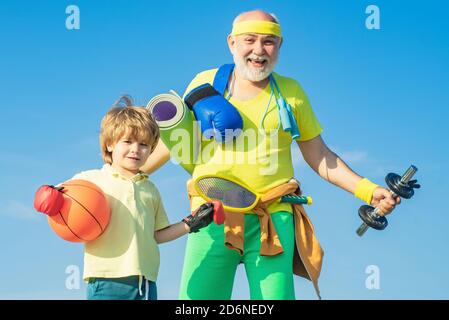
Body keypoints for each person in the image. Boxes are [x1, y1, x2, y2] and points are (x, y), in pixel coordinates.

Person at [141, 10, 400, 300]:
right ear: (232, 43)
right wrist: (124, 177)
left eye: (269, 42)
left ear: (279, 45)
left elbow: (320, 156)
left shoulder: (291, 93)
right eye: (249, 40)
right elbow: (176, 141)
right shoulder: (206, 83)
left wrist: (368, 190)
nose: (258, 50)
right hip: (211, 215)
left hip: (273, 216)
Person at [35, 96, 223, 300]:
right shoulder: (89, 181)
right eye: (127, 141)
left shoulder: (150, 189)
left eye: (144, 144)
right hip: (106, 280)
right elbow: (52, 199)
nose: (136, 149)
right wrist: (49, 196)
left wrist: (191, 223)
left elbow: (157, 235)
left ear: (151, 150)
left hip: (146, 284)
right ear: (109, 145)